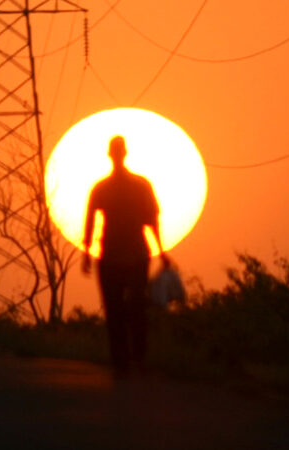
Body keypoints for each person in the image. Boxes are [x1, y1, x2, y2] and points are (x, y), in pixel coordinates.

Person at [82, 135, 168, 374]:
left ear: (111, 154)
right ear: (123, 153)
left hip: (119, 256)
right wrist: (161, 251)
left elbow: (90, 222)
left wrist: (87, 254)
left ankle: (125, 360)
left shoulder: (105, 187)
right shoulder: (136, 185)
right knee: (131, 307)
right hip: (125, 255)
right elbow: (152, 221)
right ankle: (132, 359)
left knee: (120, 309)